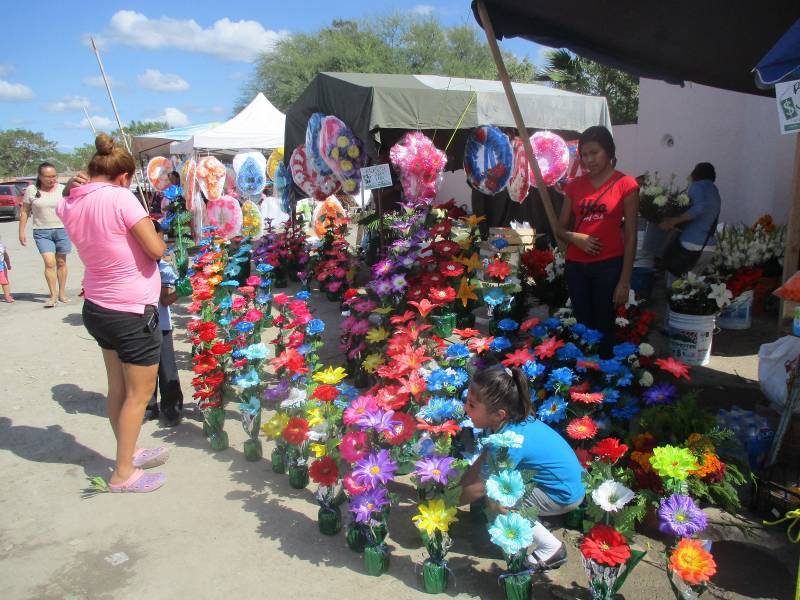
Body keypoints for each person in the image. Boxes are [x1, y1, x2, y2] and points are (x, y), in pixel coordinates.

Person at [57, 133, 169, 493]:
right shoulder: (122, 198)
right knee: (139, 394)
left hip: (98, 306)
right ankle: (123, 474)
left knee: (117, 388)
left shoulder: (71, 202)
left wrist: (78, 185)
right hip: (131, 310)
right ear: (123, 176)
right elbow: (155, 249)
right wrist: (159, 235)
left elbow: (68, 197)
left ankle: (129, 451)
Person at [460, 366, 585, 572]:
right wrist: (459, 485)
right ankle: (536, 517)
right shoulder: (511, 422)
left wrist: (447, 503)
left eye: (472, 405)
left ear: (499, 414)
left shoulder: (510, 442)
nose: (466, 409)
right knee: (495, 488)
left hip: (563, 495)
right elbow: (482, 461)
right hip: (565, 483)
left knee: (497, 497)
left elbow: (480, 487)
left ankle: (550, 548)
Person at [558, 126, 639, 356]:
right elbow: (559, 228)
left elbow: (631, 234)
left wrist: (624, 280)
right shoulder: (574, 186)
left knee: (605, 326)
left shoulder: (626, 184)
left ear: (609, 151)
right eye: (584, 155)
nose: (589, 159)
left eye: (595, 153)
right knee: (582, 326)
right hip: (576, 266)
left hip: (609, 266)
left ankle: (604, 380)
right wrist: (577, 238)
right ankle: (583, 380)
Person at [19, 162, 72, 307]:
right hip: (41, 231)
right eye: (48, 176)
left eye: (54, 176)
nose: (52, 179)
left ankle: (62, 293)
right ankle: (53, 296)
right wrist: (21, 231)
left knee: (61, 262)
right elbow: (24, 211)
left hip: (62, 230)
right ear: (40, 176)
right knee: (49, 263)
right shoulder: (32, 190)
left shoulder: (62, 189)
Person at [658, 162, 721, 276]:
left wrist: (673, 220)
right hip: (708, 246)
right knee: (693, 287)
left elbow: (699, 208)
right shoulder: (714, 191)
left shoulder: (697, 186)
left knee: (674, 283)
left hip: (690, 244)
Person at [144, 256, 183, 427]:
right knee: (144, 368)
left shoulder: (163, 268)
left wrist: (181, 290)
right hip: (137, 324)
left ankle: (172, 407)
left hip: (161, 325)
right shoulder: (130, 265)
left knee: (167, 367)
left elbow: (165, 300)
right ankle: (148, 406)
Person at [0, 237, 12, 302]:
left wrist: (8, 264)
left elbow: (6, 256)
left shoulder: (1, 247)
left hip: (1, 268)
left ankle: (7, 296)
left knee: (4, 282)